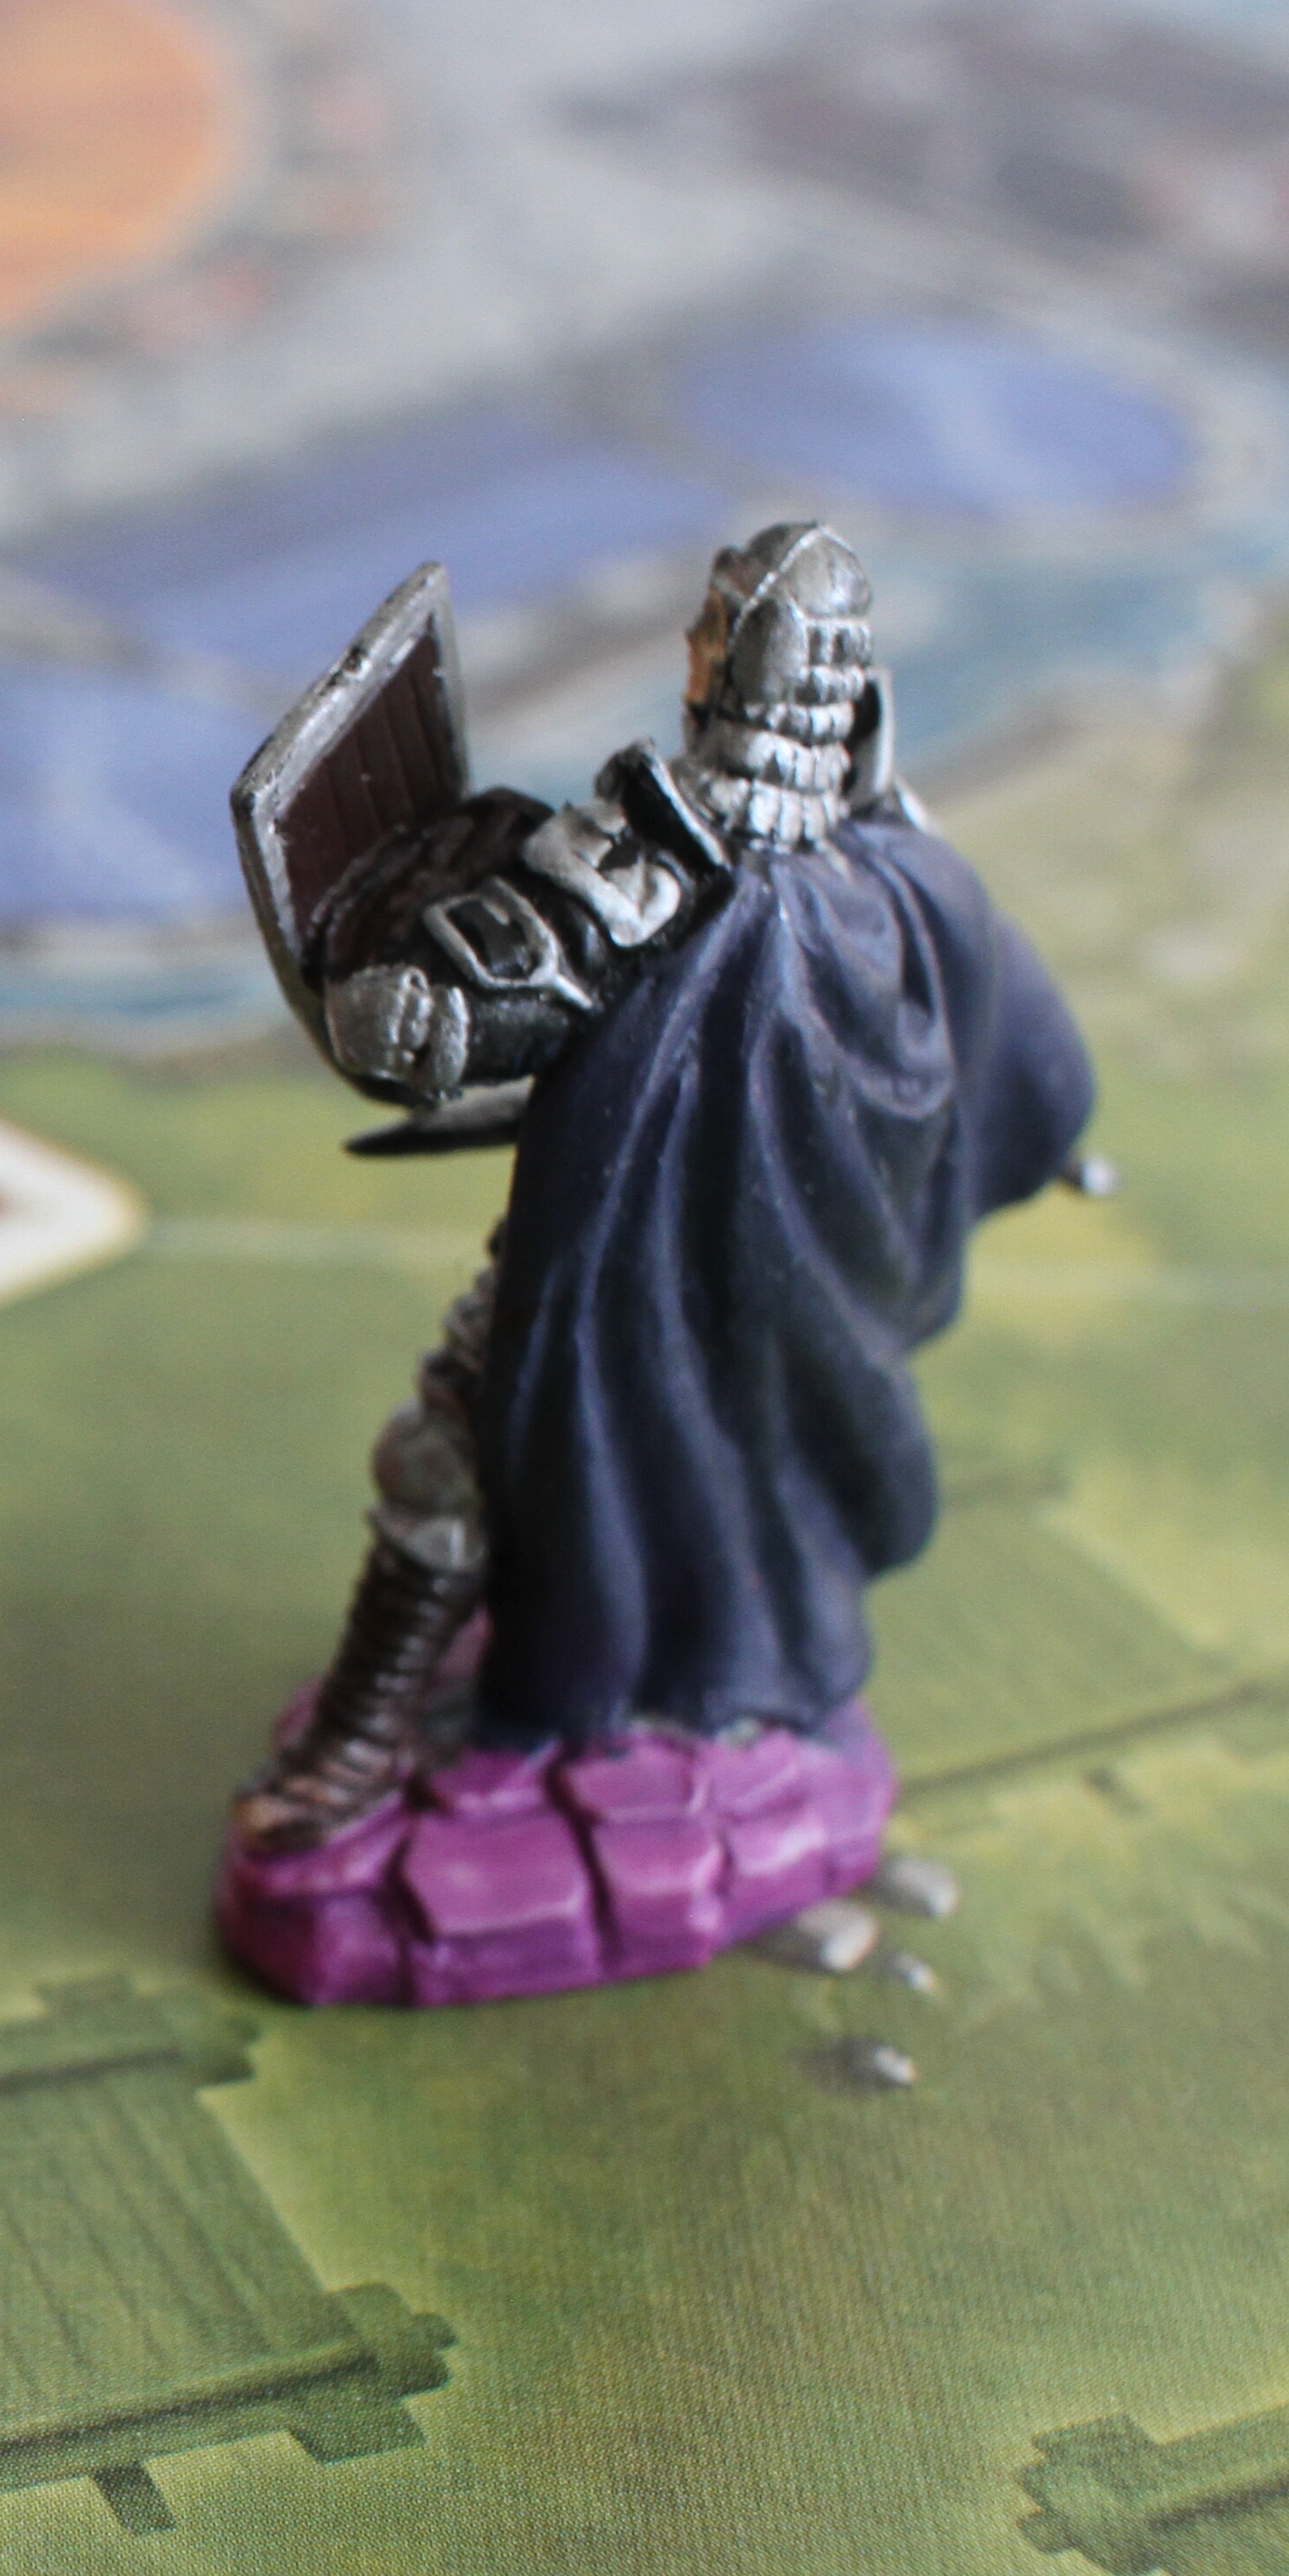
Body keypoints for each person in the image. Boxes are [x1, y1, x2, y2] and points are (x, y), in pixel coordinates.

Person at [227, 524, 1095, 1986]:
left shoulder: (664, 855)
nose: (693, 650)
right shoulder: (900, 865)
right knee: (720, 1500)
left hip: (639, 1291)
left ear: (724, 663)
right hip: (809, 1305)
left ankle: (361, 1742)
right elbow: (1017, 1026)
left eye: (711, 630)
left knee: (452, 1448)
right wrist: (1055, 1135)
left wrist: (406, 1012)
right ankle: (641, 1701)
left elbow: (502, 987)